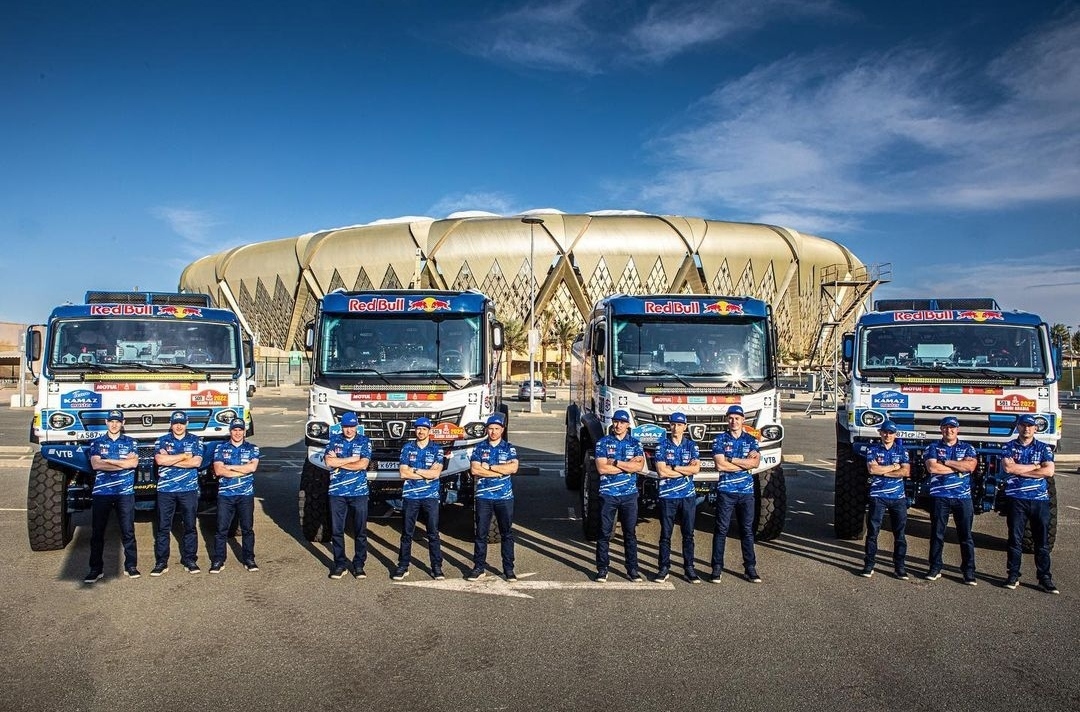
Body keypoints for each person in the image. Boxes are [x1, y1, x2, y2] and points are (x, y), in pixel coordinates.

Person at [1000, 414, 1058, 593]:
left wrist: (1021, 470)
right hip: (1016, 499)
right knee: (1015, 540)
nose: (1027, 429)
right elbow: (1009, 468)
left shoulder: (1044, 448)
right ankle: (1013, 575)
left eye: (1030, 426)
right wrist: (1034, 466)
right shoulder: (1008, 447)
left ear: (1035, 428)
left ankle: (1044, 578)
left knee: (1041, 542)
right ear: (1018, 427)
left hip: (1039, 500)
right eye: (1023, 425)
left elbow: (1048, 471)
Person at [84, 410, 140, 583]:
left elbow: (133, 464)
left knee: (128, 531)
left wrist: (108, 461)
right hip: (102, 493)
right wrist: (122, 463)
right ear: (106, 422)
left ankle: (131, 566)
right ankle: (95, 569)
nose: (114, 424)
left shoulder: (131, 442)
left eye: (118, 421)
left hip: (125, 493)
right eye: (111, 421)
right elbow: (95, 464)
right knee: (98, 532)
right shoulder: (97, 442)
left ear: (123, 422)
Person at [922, 416, 978, 584]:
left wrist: (945, 462)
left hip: (963, 497)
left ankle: (968, 571)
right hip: (940, 497)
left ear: (957, 429)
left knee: (966, 535)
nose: (949, 430)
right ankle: (935, 567)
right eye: (945, 428)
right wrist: (958, 467)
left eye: (952, 428)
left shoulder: (968, 448)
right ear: (941, 430)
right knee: (937, 533)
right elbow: (932, 467)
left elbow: (970, 467)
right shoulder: (932, 447)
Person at [710, 404, 762, 583]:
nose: (734, 421)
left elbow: (755, 464)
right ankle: (716, 569)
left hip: (746, 492)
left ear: (743, 420)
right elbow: (720, 465)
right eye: (731, 418)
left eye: (737, 418)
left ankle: (750, 568)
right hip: (726, 491)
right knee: (721, 530)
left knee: (747, 530)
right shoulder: (719, 440)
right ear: (727, 420)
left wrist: (731, 459)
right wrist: (742, 463)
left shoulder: (751, 440)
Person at [593, 409, 645, 583]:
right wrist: (627, 466)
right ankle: (602, 568)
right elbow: (601, 468)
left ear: (628, 425)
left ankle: (632, 569)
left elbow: (638, 467)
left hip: (629, 495)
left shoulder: (636, 444)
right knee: (604, 532)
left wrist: (614, 462)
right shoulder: (603, 443)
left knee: (630, 533)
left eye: (622, 422)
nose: (618, 425)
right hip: (608, 494)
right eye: (615, 422)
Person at [466, 413, 519, 581]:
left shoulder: (509, 448)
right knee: (481, 534)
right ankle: (478, 567)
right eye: (490, 429)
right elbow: (475, 470)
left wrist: (489, 467)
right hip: (484, 497)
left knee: (507, 534)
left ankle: (508, 569)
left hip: (504, 497)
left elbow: (513, 469)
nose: (493, 432)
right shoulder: (479, 448)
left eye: (497, 429)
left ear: (502, 430)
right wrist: (500, 470)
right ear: (487, 430)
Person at [152, 410, 204, 575]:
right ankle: (161, 562)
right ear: (171, 424)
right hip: (166, 490)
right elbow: (160, 460)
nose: (179, 426)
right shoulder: (162, 440)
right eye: (176, 423)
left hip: (188, 489)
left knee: (189, 526)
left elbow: (196, 462)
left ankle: (190, 560)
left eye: (181, 423)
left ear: (186, 423)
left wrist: (171, 460)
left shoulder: (195, 440)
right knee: (162, 527)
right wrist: (183, 457)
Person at [393, 417, 445, 581]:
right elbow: (403, 473)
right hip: (410, 496)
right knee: (407, 533)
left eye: (424, 429)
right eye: (418, 429)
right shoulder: (407, 448)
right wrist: (424, 472)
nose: (420, 431)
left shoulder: (437, 449)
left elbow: (436, 473)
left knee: (433, 533)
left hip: (430, 496)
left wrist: (414, 470)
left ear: (429, 431)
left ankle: (436, 567)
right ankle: (403, 565)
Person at [323, 411, 372, 580]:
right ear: (341, 427)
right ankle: (340, 564)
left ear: (356, 426)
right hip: (337, 492)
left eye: (351, 426)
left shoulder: (364, 441)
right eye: (346, 427)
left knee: (360, 530)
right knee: (337, 530)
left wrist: (340, 462)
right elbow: (329, 462)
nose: (349, 430)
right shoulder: (334, 440)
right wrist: (352, 459)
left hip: (359, 492)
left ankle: (359, 564)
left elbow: (363, 464)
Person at [653, 411, 701, 583]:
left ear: (685, 427)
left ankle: (689, 569)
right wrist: (683, 469)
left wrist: (673, 467)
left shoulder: (691, 446)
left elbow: (696, 469)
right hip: (668, 495)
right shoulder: (662, 446)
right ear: (669, 426)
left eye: (680, 424)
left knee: (688, 534)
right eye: (673, 424)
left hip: (687, 496)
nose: (676, 427)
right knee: (666, 534)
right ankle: (663, 568)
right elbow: (661, 471)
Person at [859, 420, 910, 579]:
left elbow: (906, 471)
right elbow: (872, 469)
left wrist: (884, 472)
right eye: (885, 432)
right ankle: (869, 565)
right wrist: (894, 467)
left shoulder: (902, 450)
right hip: (878, 496)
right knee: (873, 532)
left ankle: (899, 567)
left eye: (891, 432)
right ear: (880, 433)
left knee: (899, 534)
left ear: (895, 434)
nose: (888, 435)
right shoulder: (872, 449)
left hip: (898, 497)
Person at [210, 418, 261, 574]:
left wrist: (230, 467)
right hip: (225, 494)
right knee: (221, 529)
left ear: (244, 432)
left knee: (247, 528)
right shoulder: (221, 448)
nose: (237, 433)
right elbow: (219, 470)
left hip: (245, 494)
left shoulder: (253, 448)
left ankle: (249, 559)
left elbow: (252, 468)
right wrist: (242, 469)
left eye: (240, 430)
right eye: (234, 430)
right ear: (230, 431)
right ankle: (218, 560)